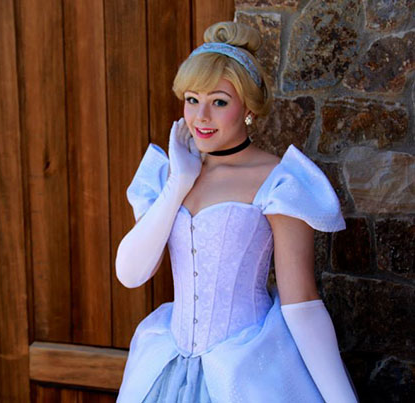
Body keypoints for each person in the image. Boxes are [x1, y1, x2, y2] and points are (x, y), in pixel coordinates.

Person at [115, 22, 359, 403]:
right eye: (192, 99)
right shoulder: (168, 173)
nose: (201, 116)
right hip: (168, 365)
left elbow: (302, 305)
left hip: (246, 371)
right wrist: (178, 182)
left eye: (219, 102)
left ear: (248, 109)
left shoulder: (278, 181)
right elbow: (130, 274)